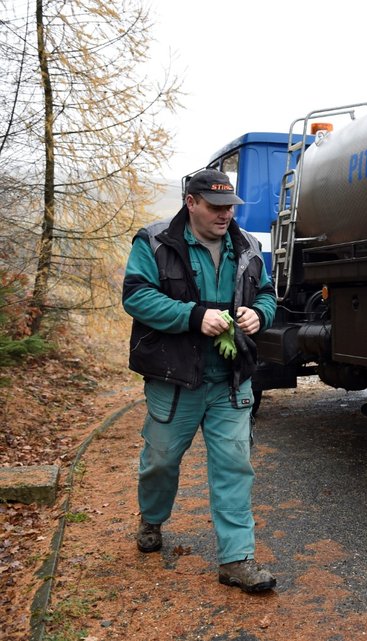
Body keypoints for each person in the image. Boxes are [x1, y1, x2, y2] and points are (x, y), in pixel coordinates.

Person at [122, 168, 278, 593]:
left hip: (230, 380)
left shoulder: (247, 246)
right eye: (215, 206)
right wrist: (194, 316)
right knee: (160, 461)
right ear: (191, 202)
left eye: (230, 207)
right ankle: (151, 518)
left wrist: (258, 314)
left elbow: (267, 293)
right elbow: (136, 296)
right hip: (175, 380)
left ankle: (237, 559)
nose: (225, 214)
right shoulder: (154, 241)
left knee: (233, 465)